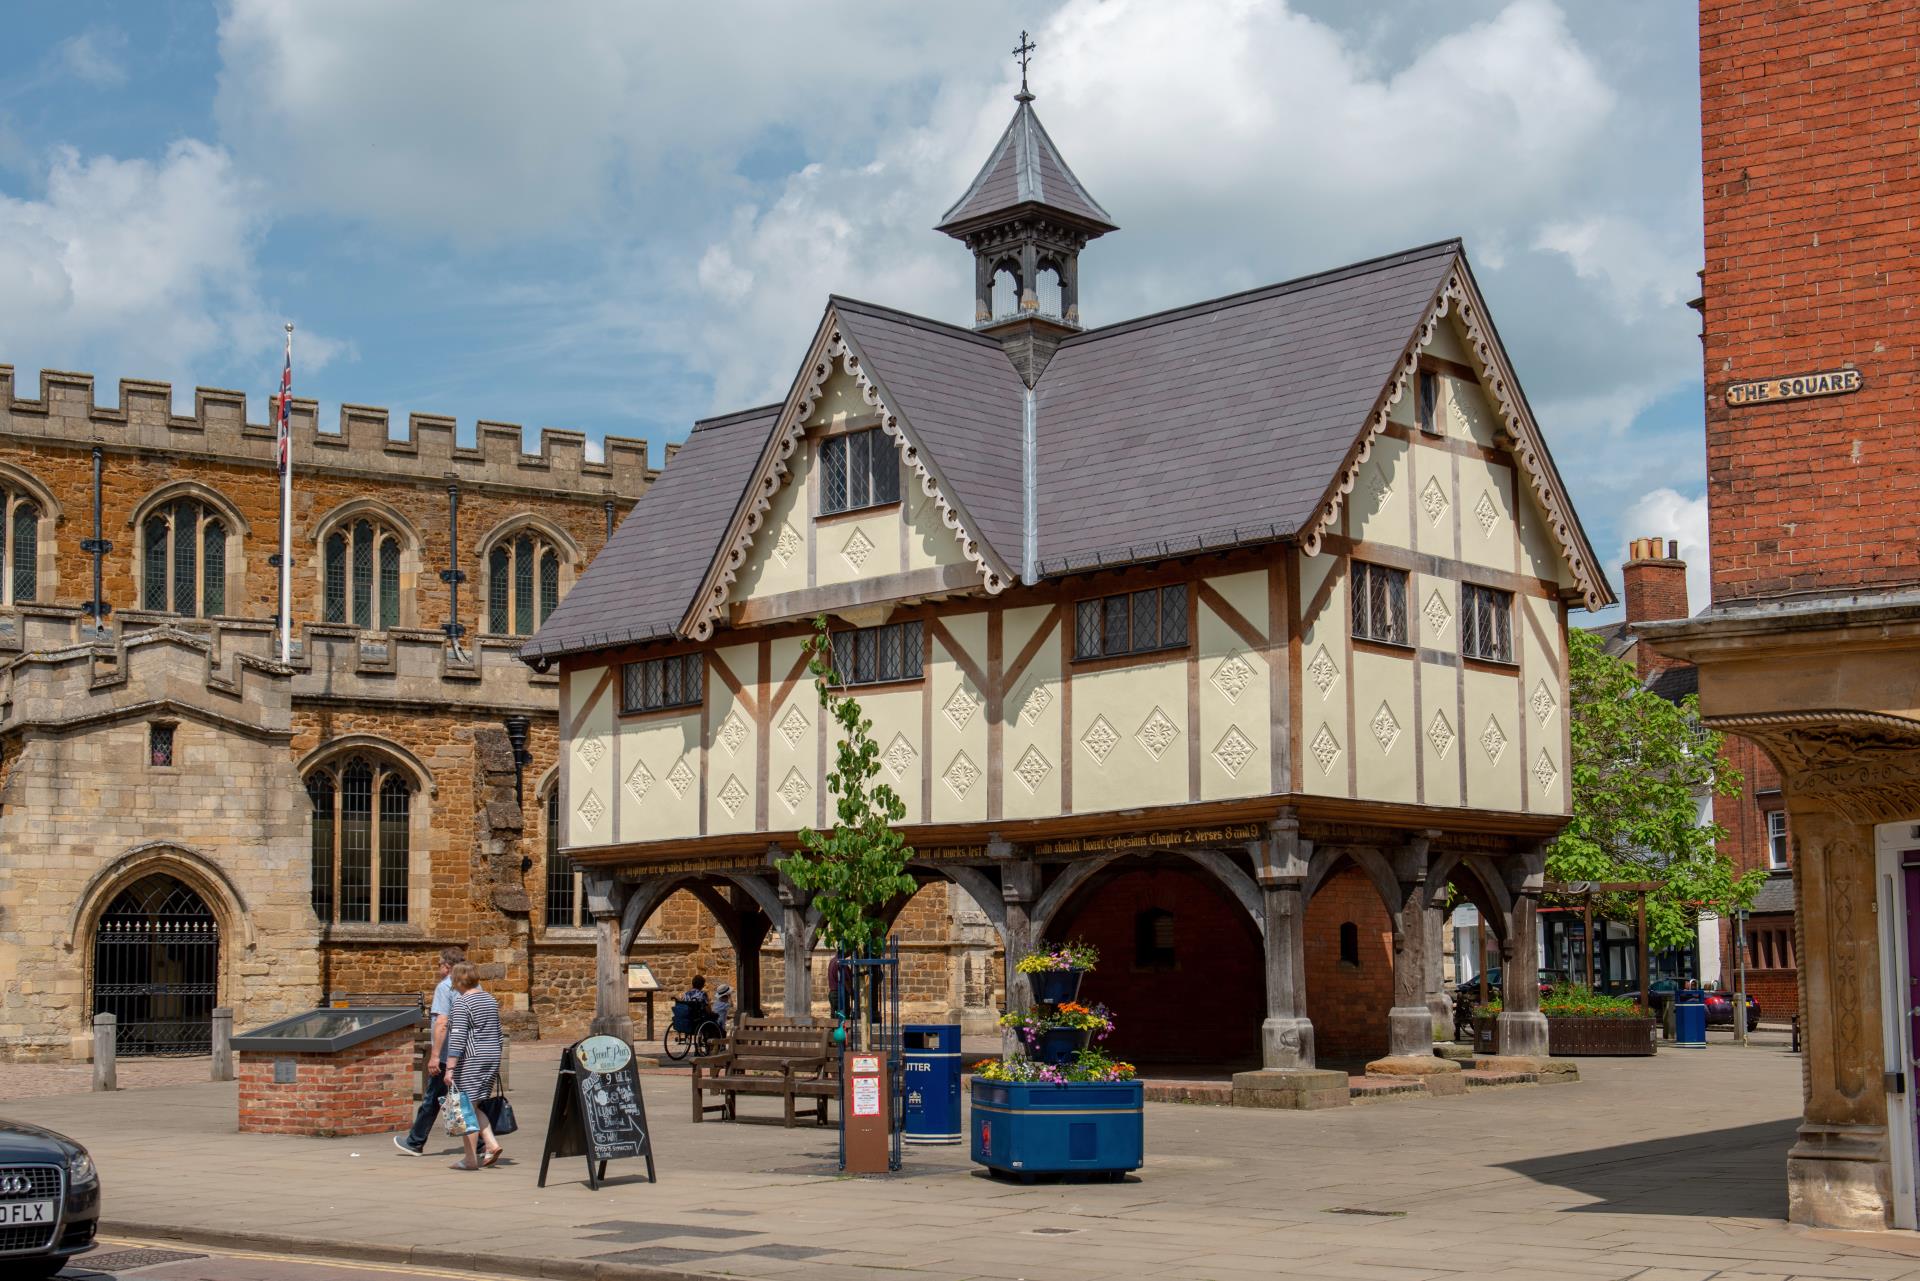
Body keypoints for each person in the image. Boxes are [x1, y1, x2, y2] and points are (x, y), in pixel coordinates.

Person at [394, 946, 464, 1157]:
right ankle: (481, 1143)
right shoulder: (471, 985)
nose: (438, 969)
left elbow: (441, 1022)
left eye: (440, 965)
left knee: (433, 1098)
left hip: (446, 1054)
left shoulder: (445, 987)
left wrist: (435, 1056)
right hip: (463, 1052)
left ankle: (415, 1142)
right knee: (463, 1100)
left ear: (447, 966)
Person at [443, 962, 504, 1171]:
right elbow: (498, 1032)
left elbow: (458, 1038)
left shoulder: (462, 1003)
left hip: (471, 1060)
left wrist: (450, 1068)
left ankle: (470, 1159)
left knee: (465, 1108)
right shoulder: (489, 999)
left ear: (458, 980)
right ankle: (492, 1144)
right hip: (491, 1055)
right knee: (474, 1104)